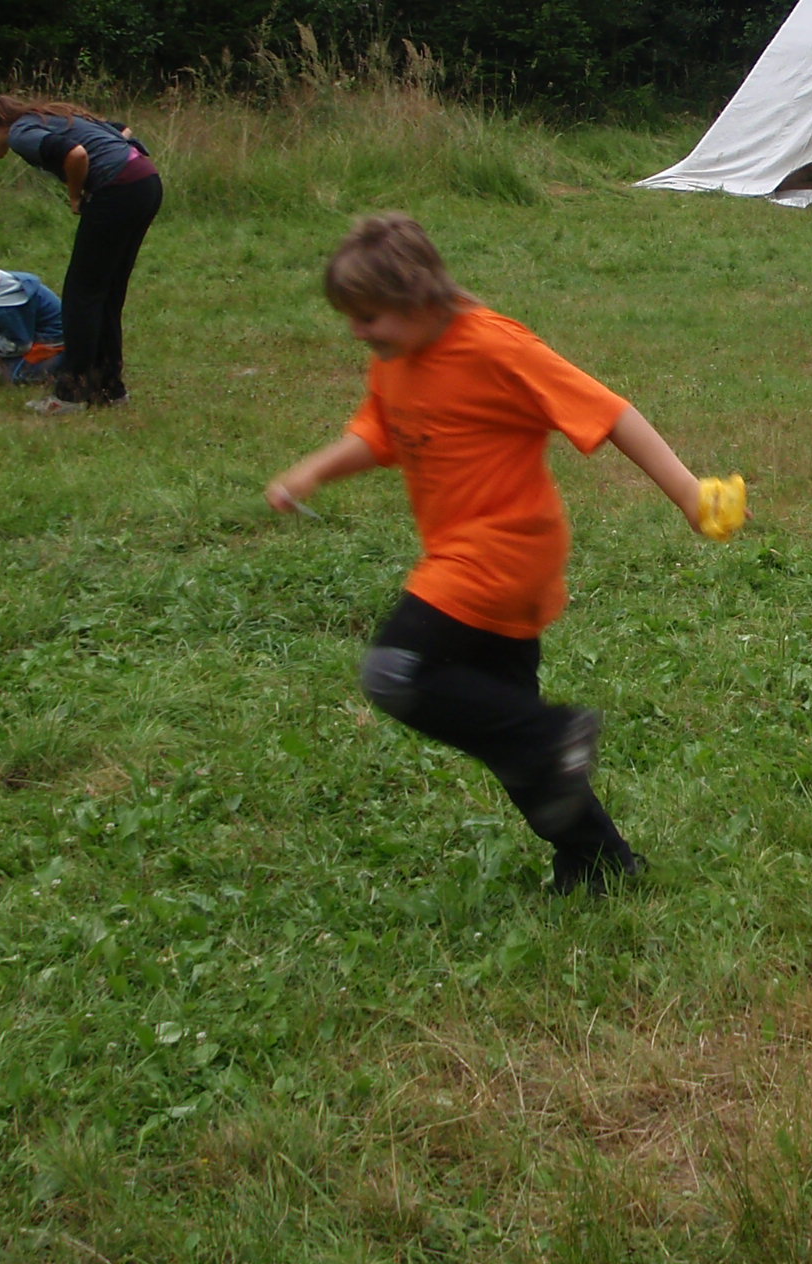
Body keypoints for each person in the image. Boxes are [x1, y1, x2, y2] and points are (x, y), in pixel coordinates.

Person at [263, 212, 746, 896]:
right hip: (478, 562)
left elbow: (610, 413)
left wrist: (691, 496)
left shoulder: (494, 347)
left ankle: (555, 734)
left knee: (396, 672)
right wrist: (314, 470)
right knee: (513, 737)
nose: (358, 332)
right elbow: (383, 431)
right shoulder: (397, 356)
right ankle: (600, 862)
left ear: (418, 297)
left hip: (500, 551)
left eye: (369, 317)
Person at [0, 94, 164, 413]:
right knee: (106, 294)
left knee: (82, 297)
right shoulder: (46, 116)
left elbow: (75, 154)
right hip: (145, 183)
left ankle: (70, 395)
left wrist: (75, 195)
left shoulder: (21, 133)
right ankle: (109, 390)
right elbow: (122, 130)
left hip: (117, 190)